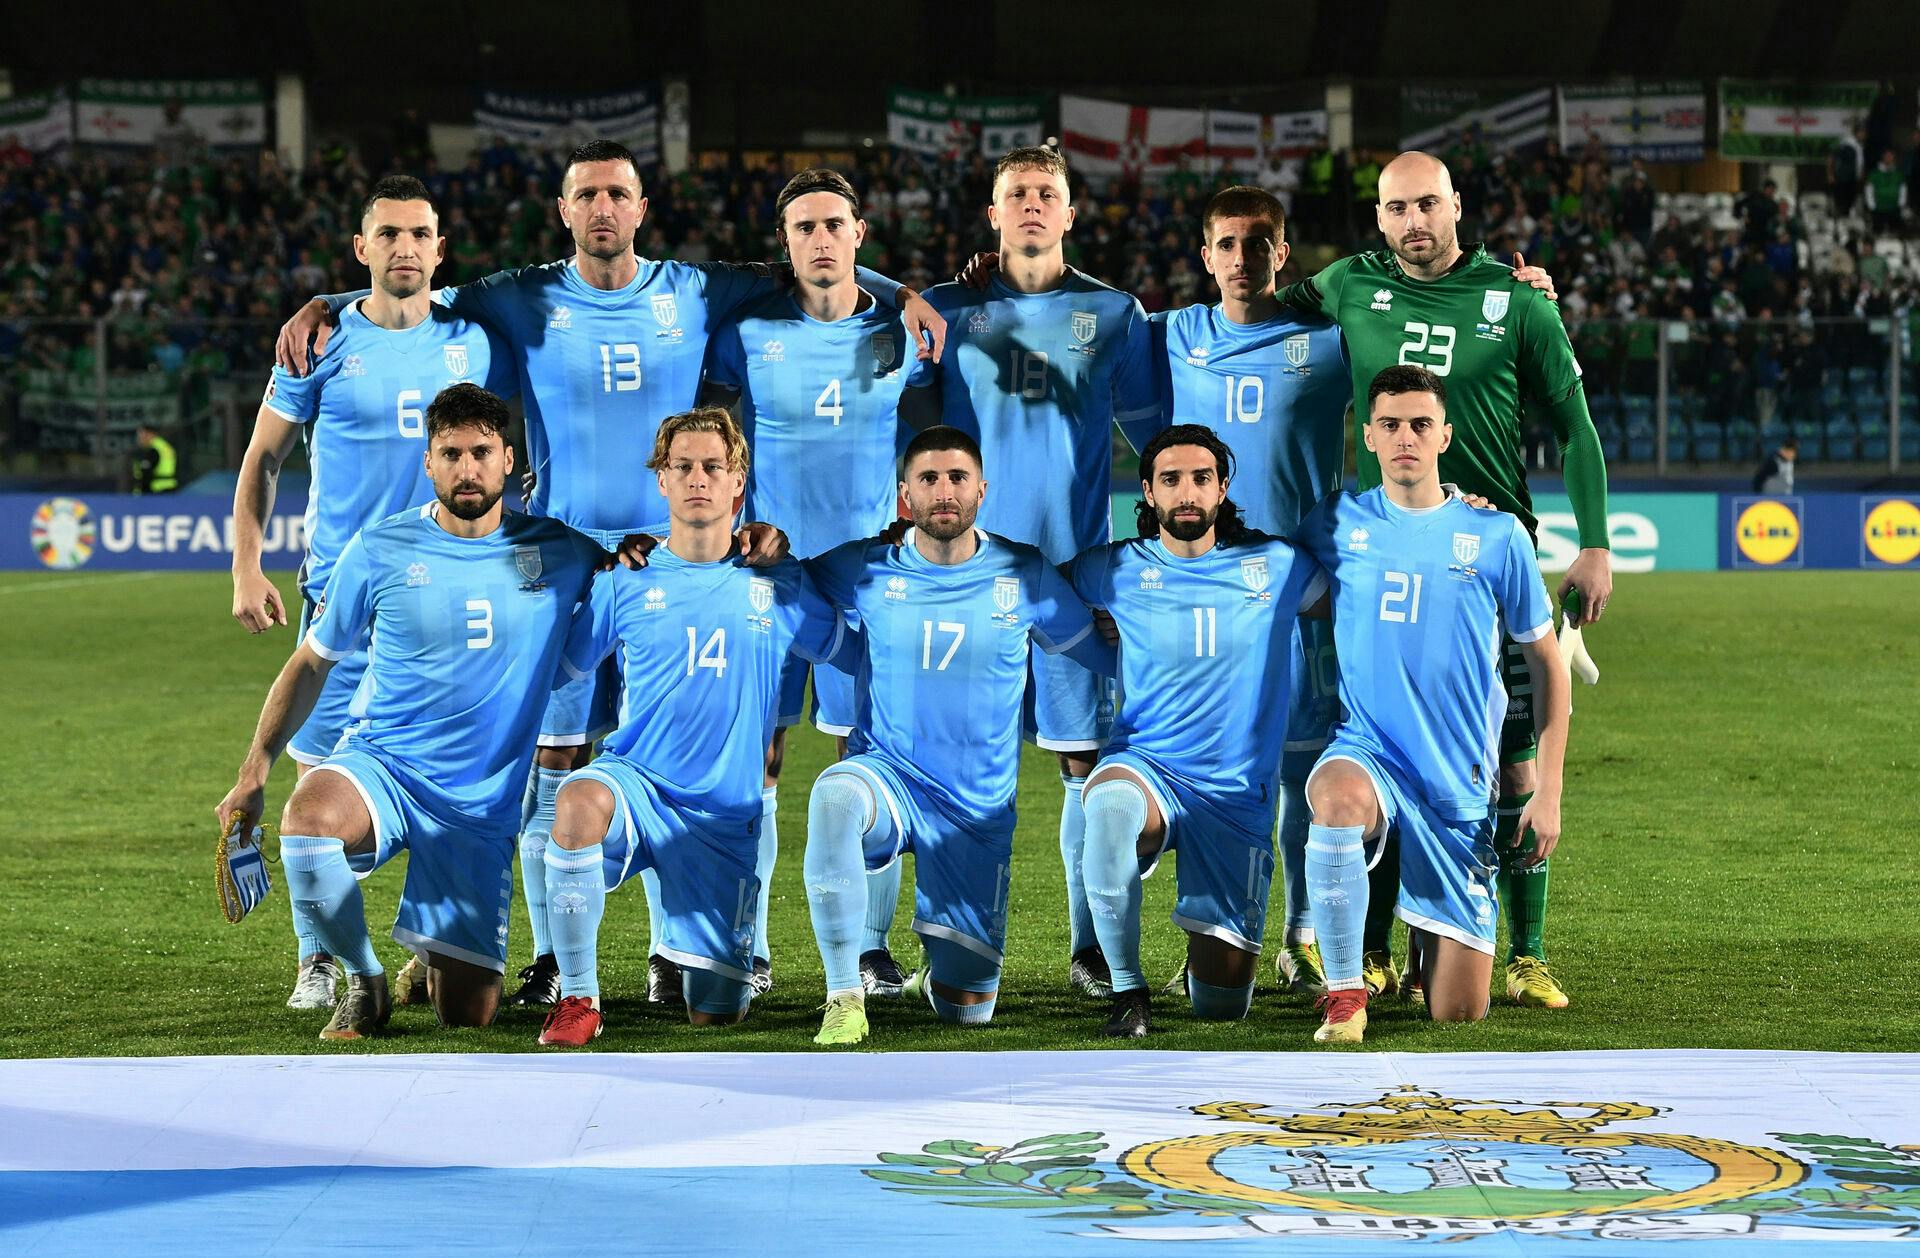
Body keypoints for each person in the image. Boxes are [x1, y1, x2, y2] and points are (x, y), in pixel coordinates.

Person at [274, 140, 944, 1011]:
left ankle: (723, 946)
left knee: (729, 756)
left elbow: (817, 268)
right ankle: (554, 958)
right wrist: (328, 300)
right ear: (566, 210)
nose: (602, 208)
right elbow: (408, 292)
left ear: (639, 207)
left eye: (617, 194)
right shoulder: (522, 294)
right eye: (585, 193)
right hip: (570, 566)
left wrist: (903, 291)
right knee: (554, 755)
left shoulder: (694, 289)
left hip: (685, 562)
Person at [1278, 150, 1605, 1010]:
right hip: (1385, 543)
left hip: (1490, 556)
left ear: (1458, 206)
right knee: (1385, 742)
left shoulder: (1515, 299)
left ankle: (1524, 950)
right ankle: (1373, 948)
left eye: (1428, 205)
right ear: (1377, 217)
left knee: (1514, 763)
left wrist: (1595, 544)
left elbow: (1575, 426)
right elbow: (1261, 315)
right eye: (1396, 209)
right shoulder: (1348, 284)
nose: (1414, 222)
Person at [212, 384, 605, 1041]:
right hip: (384, 768)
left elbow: (650, 584)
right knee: (306, 821)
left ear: (508, 459)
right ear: (428, 464)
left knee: (467, 1013)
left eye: (482, 452)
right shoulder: (382, 546)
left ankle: (429, 958)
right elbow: (311, 663)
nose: (467, 468)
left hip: (478, 812)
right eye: (450, 453)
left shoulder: (566, 552)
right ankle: (365, 981)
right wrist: (254, 771)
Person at [231, 174, 514, 1011]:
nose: (404, 249)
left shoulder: (476, 334)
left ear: (439, 247)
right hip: (345, 604)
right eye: (387, 235)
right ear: (363, 248)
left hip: (451, 603)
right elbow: (262, 461)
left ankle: (429, 944)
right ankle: (317, 957)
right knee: (318, 770)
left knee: (452, 771)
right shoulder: (320, 345)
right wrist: (245, 565)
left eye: (419, 235)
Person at [898, 145, 1159, 1002]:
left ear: (1072, 212)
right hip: (957, 581)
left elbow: (1156, 448)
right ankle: (930, 945)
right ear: (994, 212)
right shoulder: (945, 307)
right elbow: (904, 425)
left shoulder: (1116, 314)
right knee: (943, 766)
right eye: (1018, 194)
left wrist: (1142, 567)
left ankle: (1089, 948)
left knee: (1082, 769)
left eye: (1048, 193)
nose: (1034, 205)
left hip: (1070, 580)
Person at [534, 406, 847, 1046]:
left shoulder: (780, 584)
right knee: (574, 802)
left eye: (713, 466)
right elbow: (559, 667)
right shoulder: (627, 578)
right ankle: (577, 998)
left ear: (739, 482)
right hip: (638, 787)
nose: (697, 478)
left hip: (724, 817)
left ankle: (716, 963)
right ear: (662, 481)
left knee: (717, 1011)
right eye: (683, 467)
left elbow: (848, 649)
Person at [802, 426, 1114, 1046]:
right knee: (834, 796)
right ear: (903, 497)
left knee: (967, 1010)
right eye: (928, 479)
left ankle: (939, 969)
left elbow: (1098, 653)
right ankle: (843, 993)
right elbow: (785, 583)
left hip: (976, 812)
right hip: (887, 780)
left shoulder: (1025, 573)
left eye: (957, 478)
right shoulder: (865, 566)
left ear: (982, 490)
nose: (944, 491)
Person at [1293, 365, 1569, 1044]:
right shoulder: (1334, 524)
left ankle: (1423, 950)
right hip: (1369, 753)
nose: (1404, 438)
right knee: (1333, 803)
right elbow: (1270, 589)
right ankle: (1344, 994)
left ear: (1445, 434)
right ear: (1368, 437)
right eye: (1389, 425)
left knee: (1457, 1011)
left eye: (1420, 424)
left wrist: (1550, 787)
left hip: (1457, 785)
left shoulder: (1497, 535)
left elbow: (1547, 666)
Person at [698, 168, 912, 997]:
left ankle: (869, 946)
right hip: (768, 576)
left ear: (860, 231)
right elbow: (710, 435)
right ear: (784, 245)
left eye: (833, 224)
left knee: (871, 755)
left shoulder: (902, 330)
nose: (820, 239)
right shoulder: (747, 334)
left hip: (867, 581)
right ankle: (744, 945)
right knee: (757, 760)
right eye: (803, 228)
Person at [1149, 185, 1350, 997]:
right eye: (1226, 244)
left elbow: (1429, 367)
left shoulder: (1331, 343)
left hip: (1302, 596)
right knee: (1219, 776)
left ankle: (1301, 932)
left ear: (1283, 251)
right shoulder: (1171, 335)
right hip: (1209, 599)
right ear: (1206, 256)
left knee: (1303, 775)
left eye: (1258, 242)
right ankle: (1217, 929)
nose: (1242, 258)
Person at [1064, 425, 1326, 1037]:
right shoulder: (1116, 568)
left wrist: (1452, 507)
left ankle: (1207, 960)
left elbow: (1363, 597)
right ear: (1149, 493)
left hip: (1236, 799)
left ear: (1222, 488)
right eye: (1171, 480)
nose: (1188, 493)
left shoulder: (1278, 566)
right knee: (1106, 810)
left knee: (1222, 1006)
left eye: (1201, 479)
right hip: (1147, 766)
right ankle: (1128, 990)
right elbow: (1035, 589)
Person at [131, 425, 178, 494]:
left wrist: (142, 492)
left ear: (150, 434)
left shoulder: (153, 450)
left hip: (157, 490)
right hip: (170, 487)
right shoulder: (165, 447)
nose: (139, 438)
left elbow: (146, 473)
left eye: (141, 434)